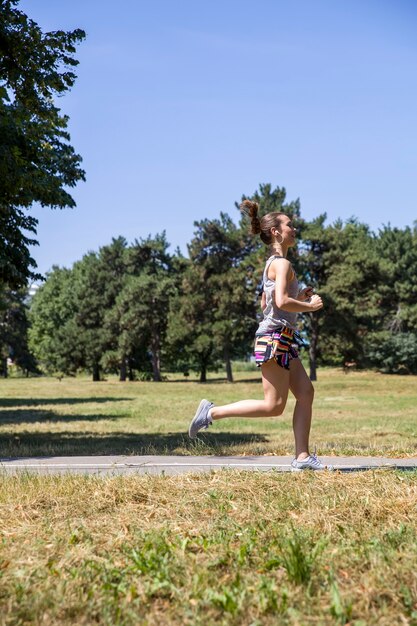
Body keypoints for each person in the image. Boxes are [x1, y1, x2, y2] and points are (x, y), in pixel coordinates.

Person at [188, 200, 332, 471]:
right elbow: (279, 301)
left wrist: (297, 298)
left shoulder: (273, 264)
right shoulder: (282, 264)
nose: (294, 227)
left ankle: (302, 458)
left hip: (282, 337)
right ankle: (211, 413)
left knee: (305, 392)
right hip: (276, 338)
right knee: (273, 406)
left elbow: (266, 303)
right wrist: (309, 306)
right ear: (276, 232)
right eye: (289, 224)